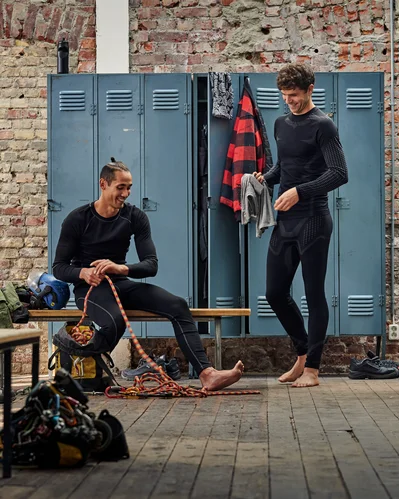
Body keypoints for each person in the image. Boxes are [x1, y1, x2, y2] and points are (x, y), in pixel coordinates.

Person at [52, 158, 245, 391]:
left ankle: (207, 374)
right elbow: (59, 267)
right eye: (120, 187)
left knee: (178, 305)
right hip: (90, 289)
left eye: (129, 187)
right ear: (103, 184)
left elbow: (151, 265)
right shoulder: (77, 218)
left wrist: (120, 268)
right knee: (114, 321)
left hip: (121, 283)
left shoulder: (135, 216)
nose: (126, 194)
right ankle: (83, 367)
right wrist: (84, 272)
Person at [253, 64, 348, 387]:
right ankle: (303, 353)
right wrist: (266, 178)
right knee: (274, 292)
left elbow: (339, 173)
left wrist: (299, 192)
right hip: (286, 221)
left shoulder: (323, 125)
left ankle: (313, 370)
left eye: (294, 94)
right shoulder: (281, 123)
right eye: (284, 95)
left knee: (313, 294)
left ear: (310, 89)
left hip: (313, 219)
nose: (289, 100)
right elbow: (285, 166)